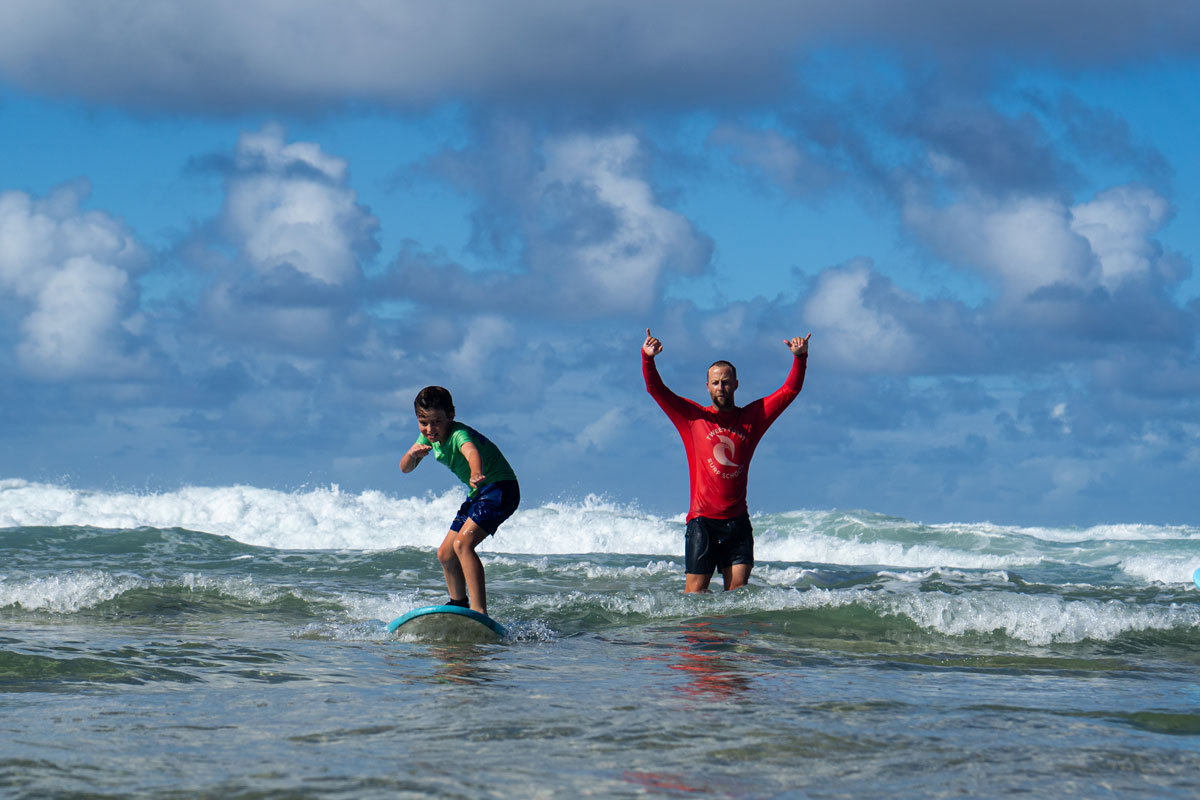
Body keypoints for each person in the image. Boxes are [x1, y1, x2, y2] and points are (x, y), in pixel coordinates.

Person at [642, 328, 810, 593]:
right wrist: (647, 358)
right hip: (702, 523)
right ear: (707, 386)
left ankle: (727, 637)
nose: (721, 387)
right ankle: (702, 636)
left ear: (736, 384)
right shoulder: (692, 418)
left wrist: (800, 358)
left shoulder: (753, 418)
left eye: (726, 382)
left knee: (738, 597)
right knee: (695, 597)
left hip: (737, 523)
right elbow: (655, 389)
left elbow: (790, 390)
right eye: (716, 382)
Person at [399, 386, 520, 615]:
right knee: (445, 553)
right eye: (423, 422)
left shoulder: (457, 434)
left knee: (463, 545)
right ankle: (458, 603)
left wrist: (476, 472)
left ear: (451, 416)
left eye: (436, 422)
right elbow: (405, 469)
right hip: (479, 494)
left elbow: (471, 451)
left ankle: (479, 610)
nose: (430, 429)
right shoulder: (426, 437)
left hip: (500, 488)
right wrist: (412, 455)